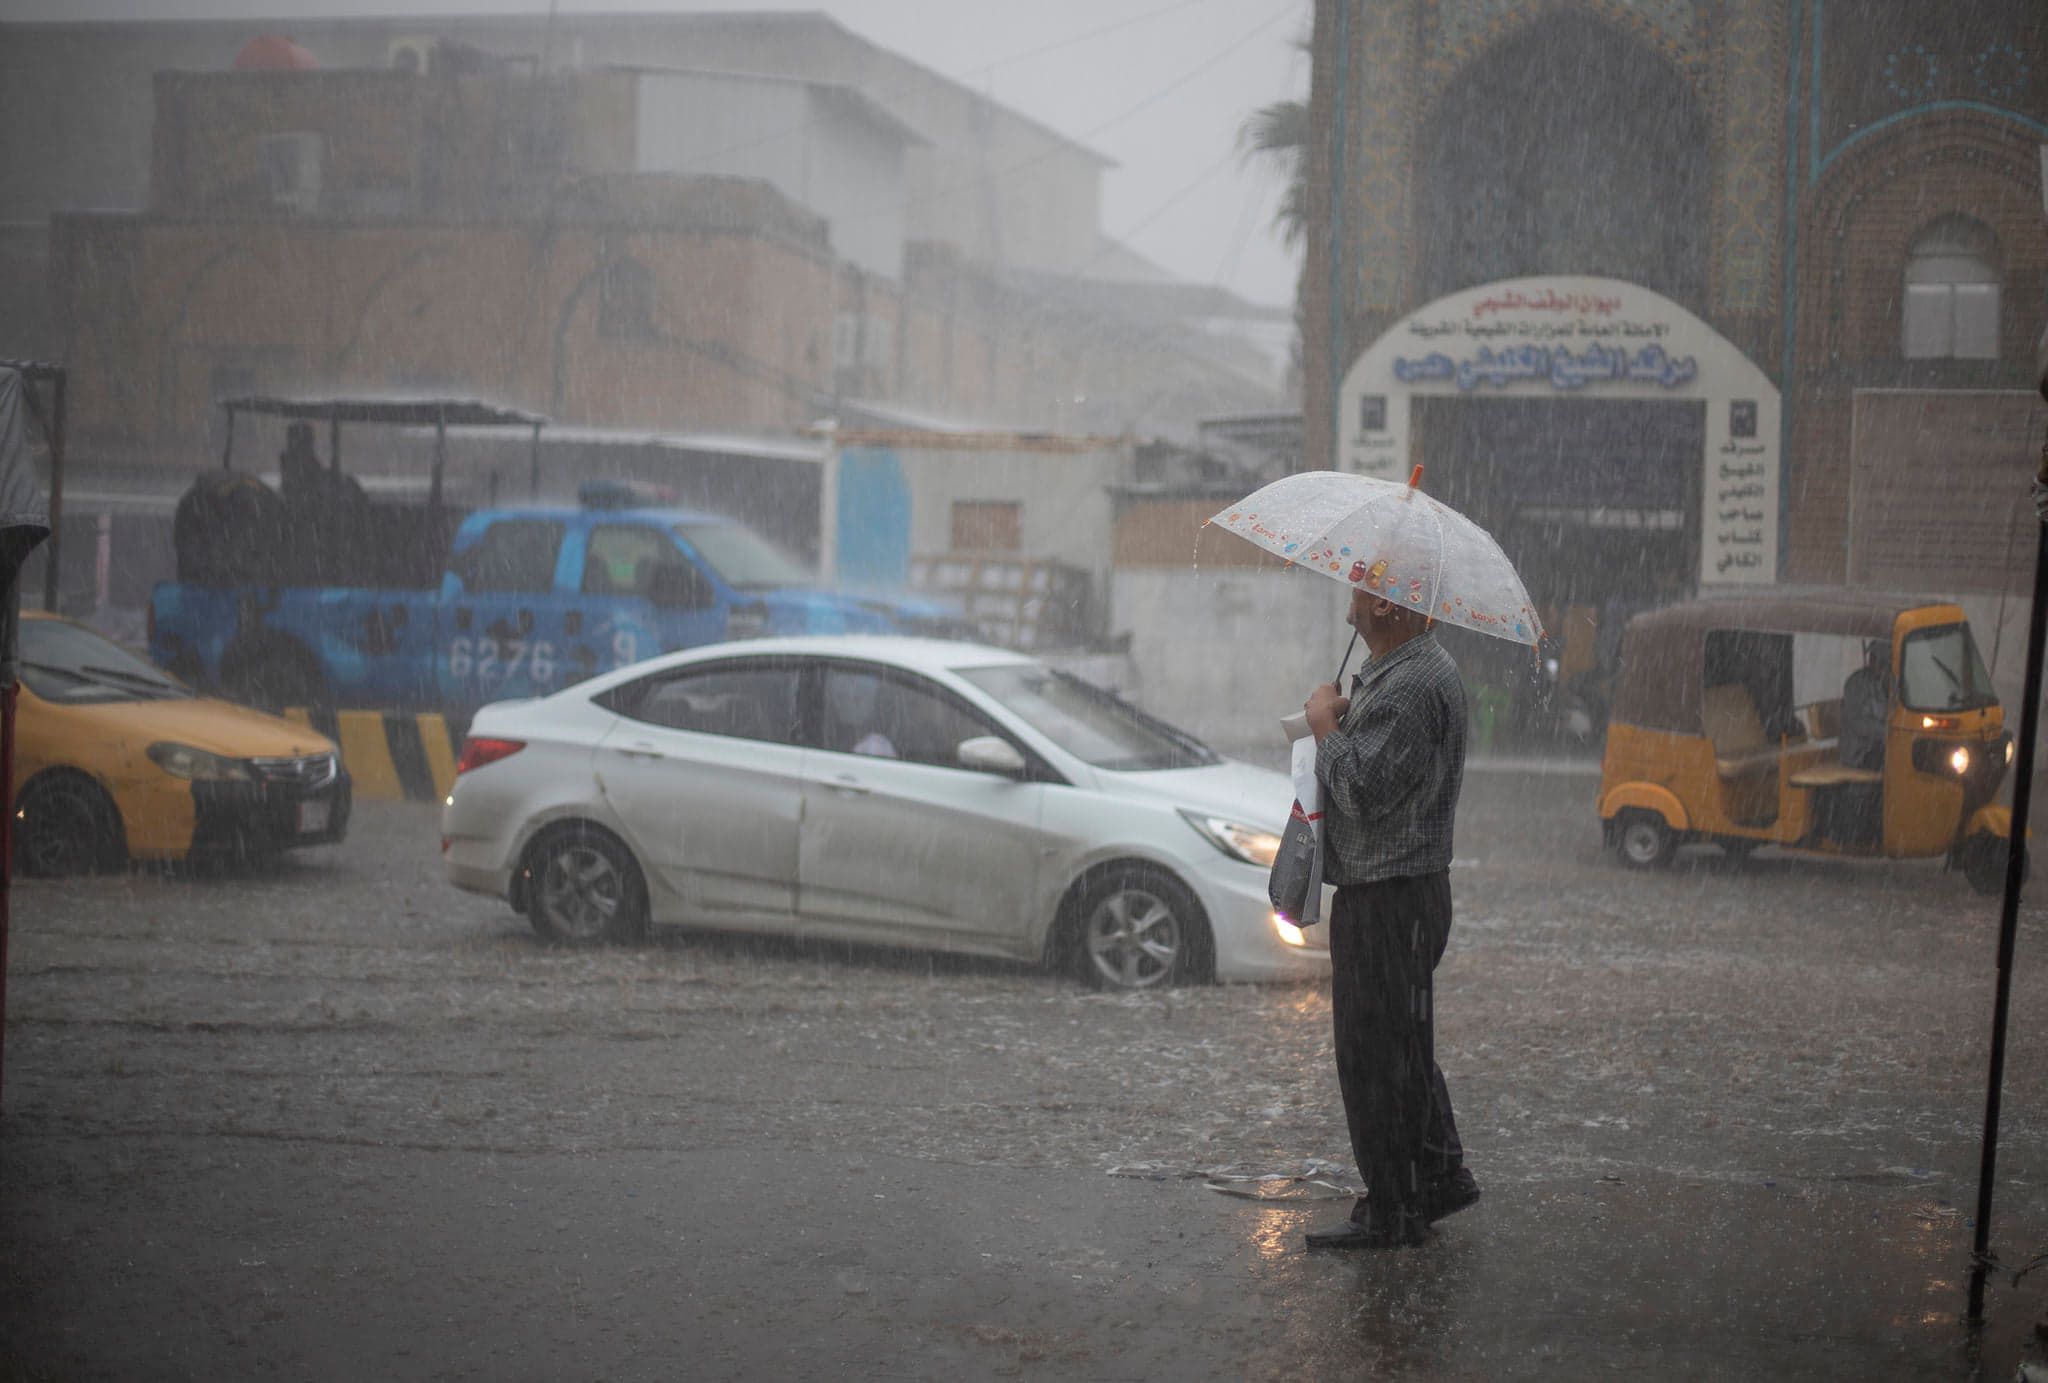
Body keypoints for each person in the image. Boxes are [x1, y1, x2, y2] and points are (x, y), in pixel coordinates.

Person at [1300, 585, 1478, 1250]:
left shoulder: (1411, 684)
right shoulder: (1409, 670)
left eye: (1359, 581)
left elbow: (1363, 790)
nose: (1346, 587)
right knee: (1402, 1046)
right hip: (1401, 890)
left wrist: (1324, 726)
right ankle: (1434, 1177)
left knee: (1374, 1056)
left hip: (1389, 895)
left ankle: (1394, 1211)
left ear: (1386, 606)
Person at [1839, 641, 1890, 772]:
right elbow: (1857, 722)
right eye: (1874, 658)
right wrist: (1886, 732)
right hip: (1859, 752)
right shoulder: (1856, 683)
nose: (1874, 662)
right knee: (1894, 763)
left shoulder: (1888, 682)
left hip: (1880, 746)